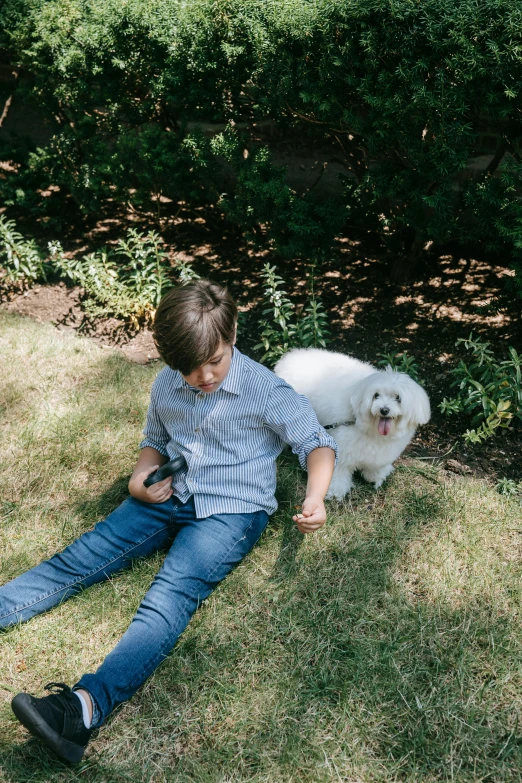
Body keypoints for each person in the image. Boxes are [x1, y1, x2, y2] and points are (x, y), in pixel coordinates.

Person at [1, 279, 337, 763]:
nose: (202, 376)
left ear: (234, 333)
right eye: (187, 367)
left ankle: (81, 710)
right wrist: (141, 479)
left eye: (214, 362)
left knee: (168, 598)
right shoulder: (167, 383)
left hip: (231, 510)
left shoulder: (266, 390)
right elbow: (154, 438)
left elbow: (316, 442)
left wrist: (316, 496)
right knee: (79, 559)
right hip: (169, 492)